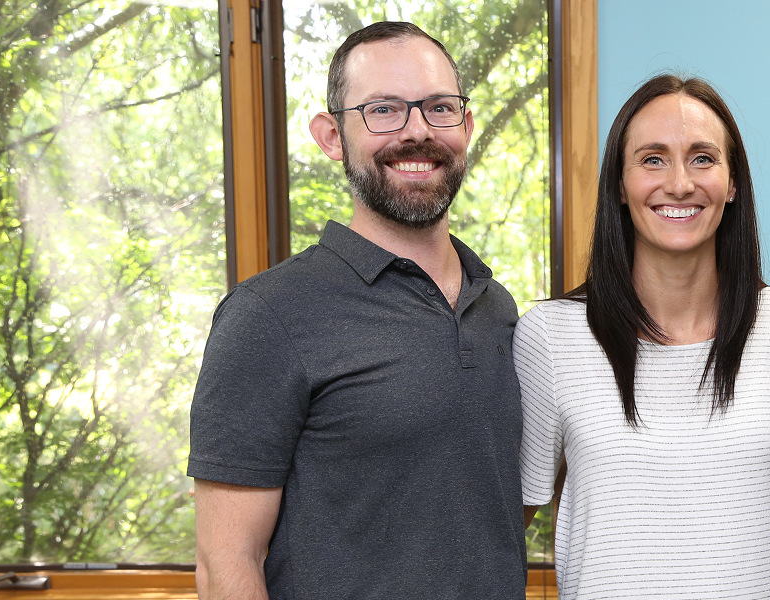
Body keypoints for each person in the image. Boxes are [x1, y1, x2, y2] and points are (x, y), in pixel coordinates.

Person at [186, 22, 525, 600]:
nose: (417, 131)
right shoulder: (267, 316)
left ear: (465, 128)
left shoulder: (496, 308)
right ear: (331, 136)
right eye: (384, 110)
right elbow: (225, 565)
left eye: (439, 108)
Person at [516, 74, 770, 599]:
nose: (679, 183)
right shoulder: (549, 335)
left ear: (732, 183)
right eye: (652, 159)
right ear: (619, 182)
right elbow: (511, 517)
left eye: (703, 158)